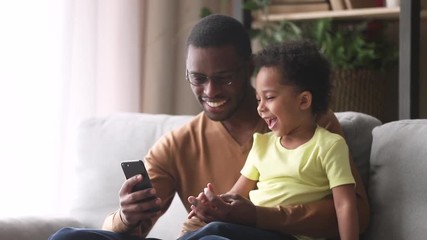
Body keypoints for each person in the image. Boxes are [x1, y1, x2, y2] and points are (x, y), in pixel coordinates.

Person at [49, 14, 369, 240]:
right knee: (67, 238)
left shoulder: (311, 125)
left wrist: (257, 216)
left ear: (248, 69)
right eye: (198, 79)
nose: (211, 92)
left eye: (224, 78)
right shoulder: (176, 145)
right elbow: (135, 230)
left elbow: (355, 212)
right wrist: (126, 217)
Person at [181, 40, 358, 240]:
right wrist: (213, 204)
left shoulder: (329, 145)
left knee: (216, 232)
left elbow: (344, 205)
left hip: (289, 236)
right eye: (258, 99)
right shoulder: (262, 144)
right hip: (253, 232)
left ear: (304, 101)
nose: (260, 108)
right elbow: (235, 195)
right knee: (212, 237)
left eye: (270, 98)